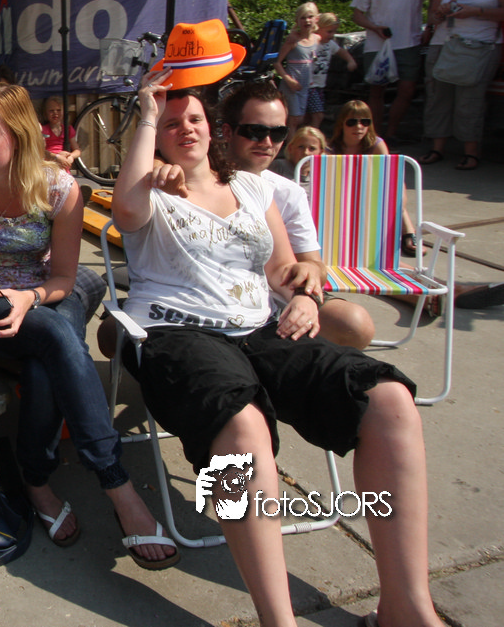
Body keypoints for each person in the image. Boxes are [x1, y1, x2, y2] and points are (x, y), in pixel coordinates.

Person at [112, 32, 442, 627]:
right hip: (177, 335)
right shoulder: (150, 189)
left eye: (194, 119)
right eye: (170, 123)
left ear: (213, 128)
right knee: (241, 427)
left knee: (388, 399)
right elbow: (126, 212)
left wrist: (309, 296)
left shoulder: (251, 186)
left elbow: (285, 270)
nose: (184, 129)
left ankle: (407, 608)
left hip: (261, 328)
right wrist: (147, 115)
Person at [0, 83, 178, 568]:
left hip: (46, 295)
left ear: (18, 135)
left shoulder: (58, 188)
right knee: (62, 338)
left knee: (48, 360)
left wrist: (31, 298)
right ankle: (116, 485)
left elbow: (62, 277)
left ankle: (37, 479)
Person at [221, 83, 375, 349]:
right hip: (217, 293)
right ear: (227, 132)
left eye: (278, 133)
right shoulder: (199, 179)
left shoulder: (287, 192)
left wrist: (307, 292)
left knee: (354, 324)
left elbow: (314, 264)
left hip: (277, 291)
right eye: (255, 131)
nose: (267, 142)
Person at [421, 0, 504, 172]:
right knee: (438, 98)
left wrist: (475, 11)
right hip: (444, 44)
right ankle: (437, 148)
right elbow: (432, 17)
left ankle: (470, 153)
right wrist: (441, 12)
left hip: (480, 46)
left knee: (470, 101)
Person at [350, 0, 436, 141]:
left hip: (409, 42)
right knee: (376, 92)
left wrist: (430, 26)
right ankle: (375, 137)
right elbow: (357, 15)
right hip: (378, 45)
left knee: (407, 90)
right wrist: (375, 27)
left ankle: (391, 134)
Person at [328, 99, 418, 256]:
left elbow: (389, 176)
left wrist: (397, 199)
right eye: (352, 122)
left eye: (365, 122)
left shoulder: (376, 144)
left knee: (395, 192)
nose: (359, 127)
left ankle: (408, 231)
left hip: (372, 186)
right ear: (341, 123)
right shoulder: (331, 148)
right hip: (344, 190)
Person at [305, 12, 357, 129]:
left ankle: (307, 133)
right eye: (329, 32)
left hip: (320, 85)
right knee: (318, 115)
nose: (332, 35)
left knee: (310, 116)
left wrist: (350, 61)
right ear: (318, 28)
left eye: (334, 31)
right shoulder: (311, 43)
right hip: (309, 85)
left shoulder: (330, 44)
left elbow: (341, 51)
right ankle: (314, 135)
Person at [274, 2, 319, 133]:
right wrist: (288, 80)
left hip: (306, 84)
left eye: (310, 17)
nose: (307, 21)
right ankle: (291, 144)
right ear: (297, 21)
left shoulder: (317, 39)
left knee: (302, 118)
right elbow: (277, 62)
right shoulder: (293, 40)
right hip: (292, 84)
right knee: (293, 119)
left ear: (316, 19)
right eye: (303, 18)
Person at [40, 95, 79, 171]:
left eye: (58, 110)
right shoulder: (43, 130)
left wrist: (71, 156)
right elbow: (41, 151)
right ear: (45, 113)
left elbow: (77, 150)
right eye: (51, 111)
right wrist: (57, 157)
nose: (55, 113)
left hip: (63, 163)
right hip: (49, 163)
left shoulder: (67, 129)